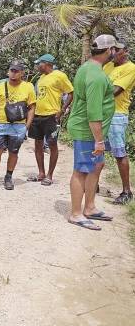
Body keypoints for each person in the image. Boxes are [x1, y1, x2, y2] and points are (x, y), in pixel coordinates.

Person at [66, 34, 117, 230]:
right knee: (82, 170)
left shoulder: (89, 67)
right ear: (108, 51)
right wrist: (98, 140)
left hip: (93, 131)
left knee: (98, 165)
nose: (115, 52)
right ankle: (76, 213)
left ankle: (90, 207)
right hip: (87, 131)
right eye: (114, 49)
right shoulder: (95, 75)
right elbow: (93, 112)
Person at [0, 60, 36, 191]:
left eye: (17, 71)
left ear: (22, 73)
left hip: (18, 126)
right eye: (12, 70)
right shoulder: (1, 86)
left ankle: (8, 177)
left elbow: (32, 107)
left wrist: (26, 126)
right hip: (1, 125)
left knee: (13, 152)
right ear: (8, 71)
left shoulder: (28, 87)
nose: (13, 73)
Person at [28, 54, 74, 186]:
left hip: (51, 116)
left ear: (47, 64)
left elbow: (71, 93)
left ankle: (49, 175)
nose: (37, 66)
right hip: (38, 115)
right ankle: (41, 173)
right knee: (38, 145)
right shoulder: (41, 78)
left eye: (39, 64)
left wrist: (62, 109)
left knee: (52, 144)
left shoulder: (59, 75)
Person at [103, 42, 135, 204]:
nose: (113, 52)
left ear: (126, 52)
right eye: (112, 49)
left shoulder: (130, 68)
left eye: (117, 49)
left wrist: (96, 93)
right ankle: (93, 184)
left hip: (116, 115)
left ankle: (126, 191)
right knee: (98, 151)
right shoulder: (107, 66)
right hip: (101, 114)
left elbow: (116, 91)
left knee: (119, 153)